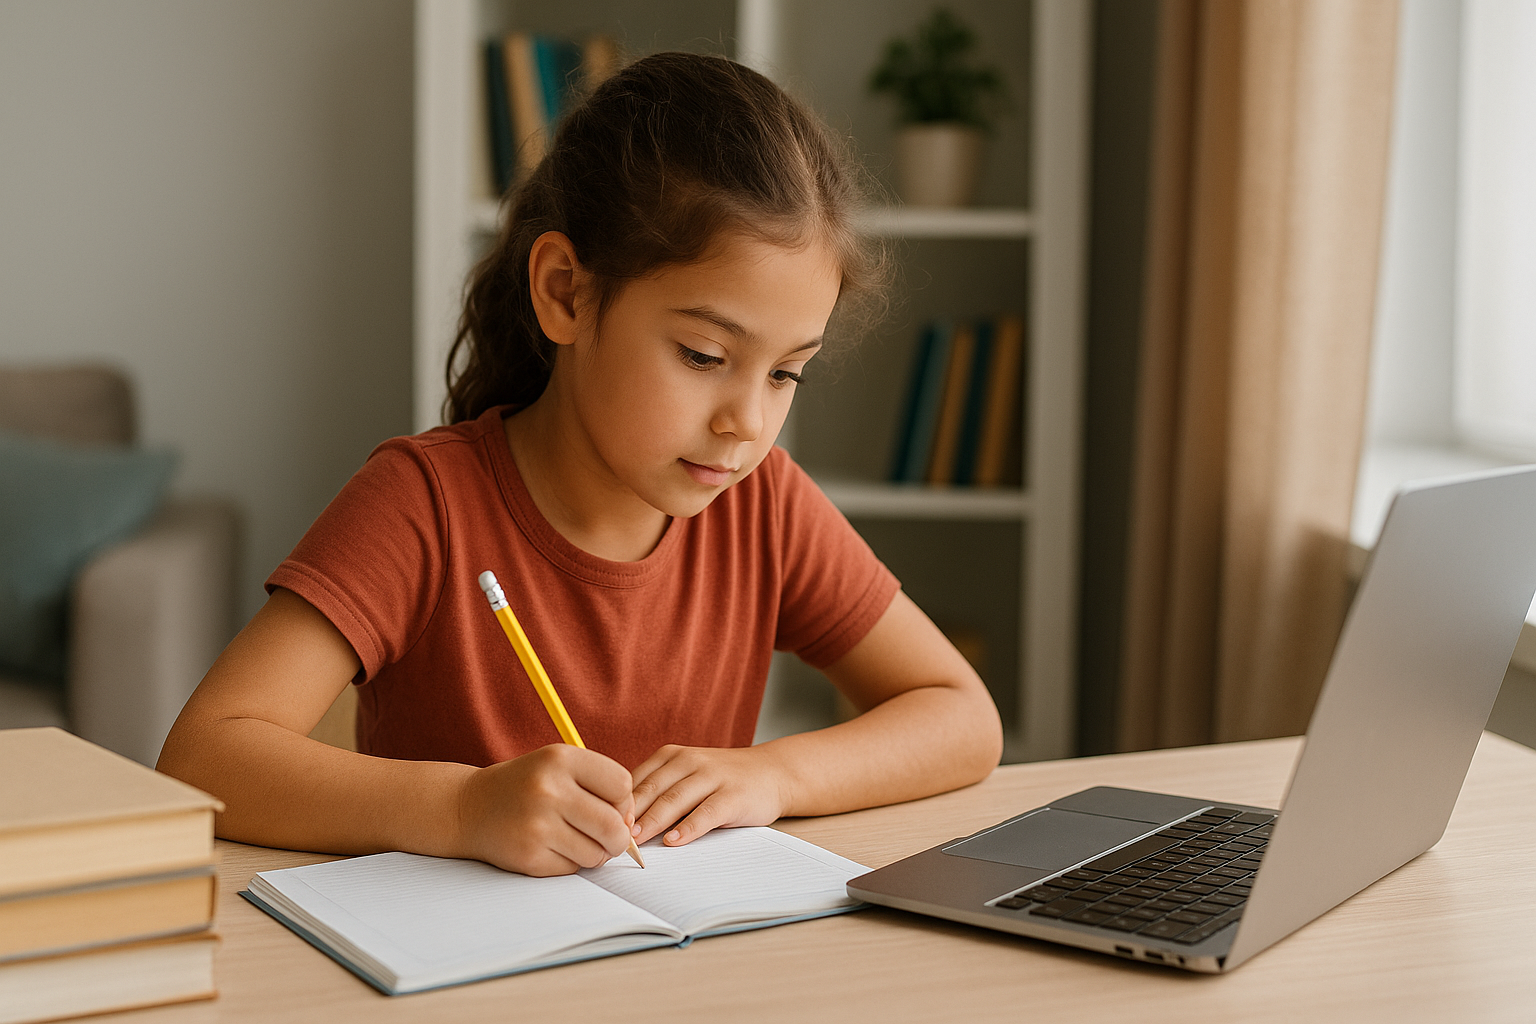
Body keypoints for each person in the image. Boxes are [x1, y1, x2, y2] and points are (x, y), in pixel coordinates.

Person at [157, 52, 1002, 878]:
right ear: (565, 291)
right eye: (704, 355)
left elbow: (962, 718)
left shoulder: (765, 508)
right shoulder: (425, 504)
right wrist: (463, 809)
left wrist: (777, 775)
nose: (747, 423)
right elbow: (205, 756)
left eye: (786, 374)